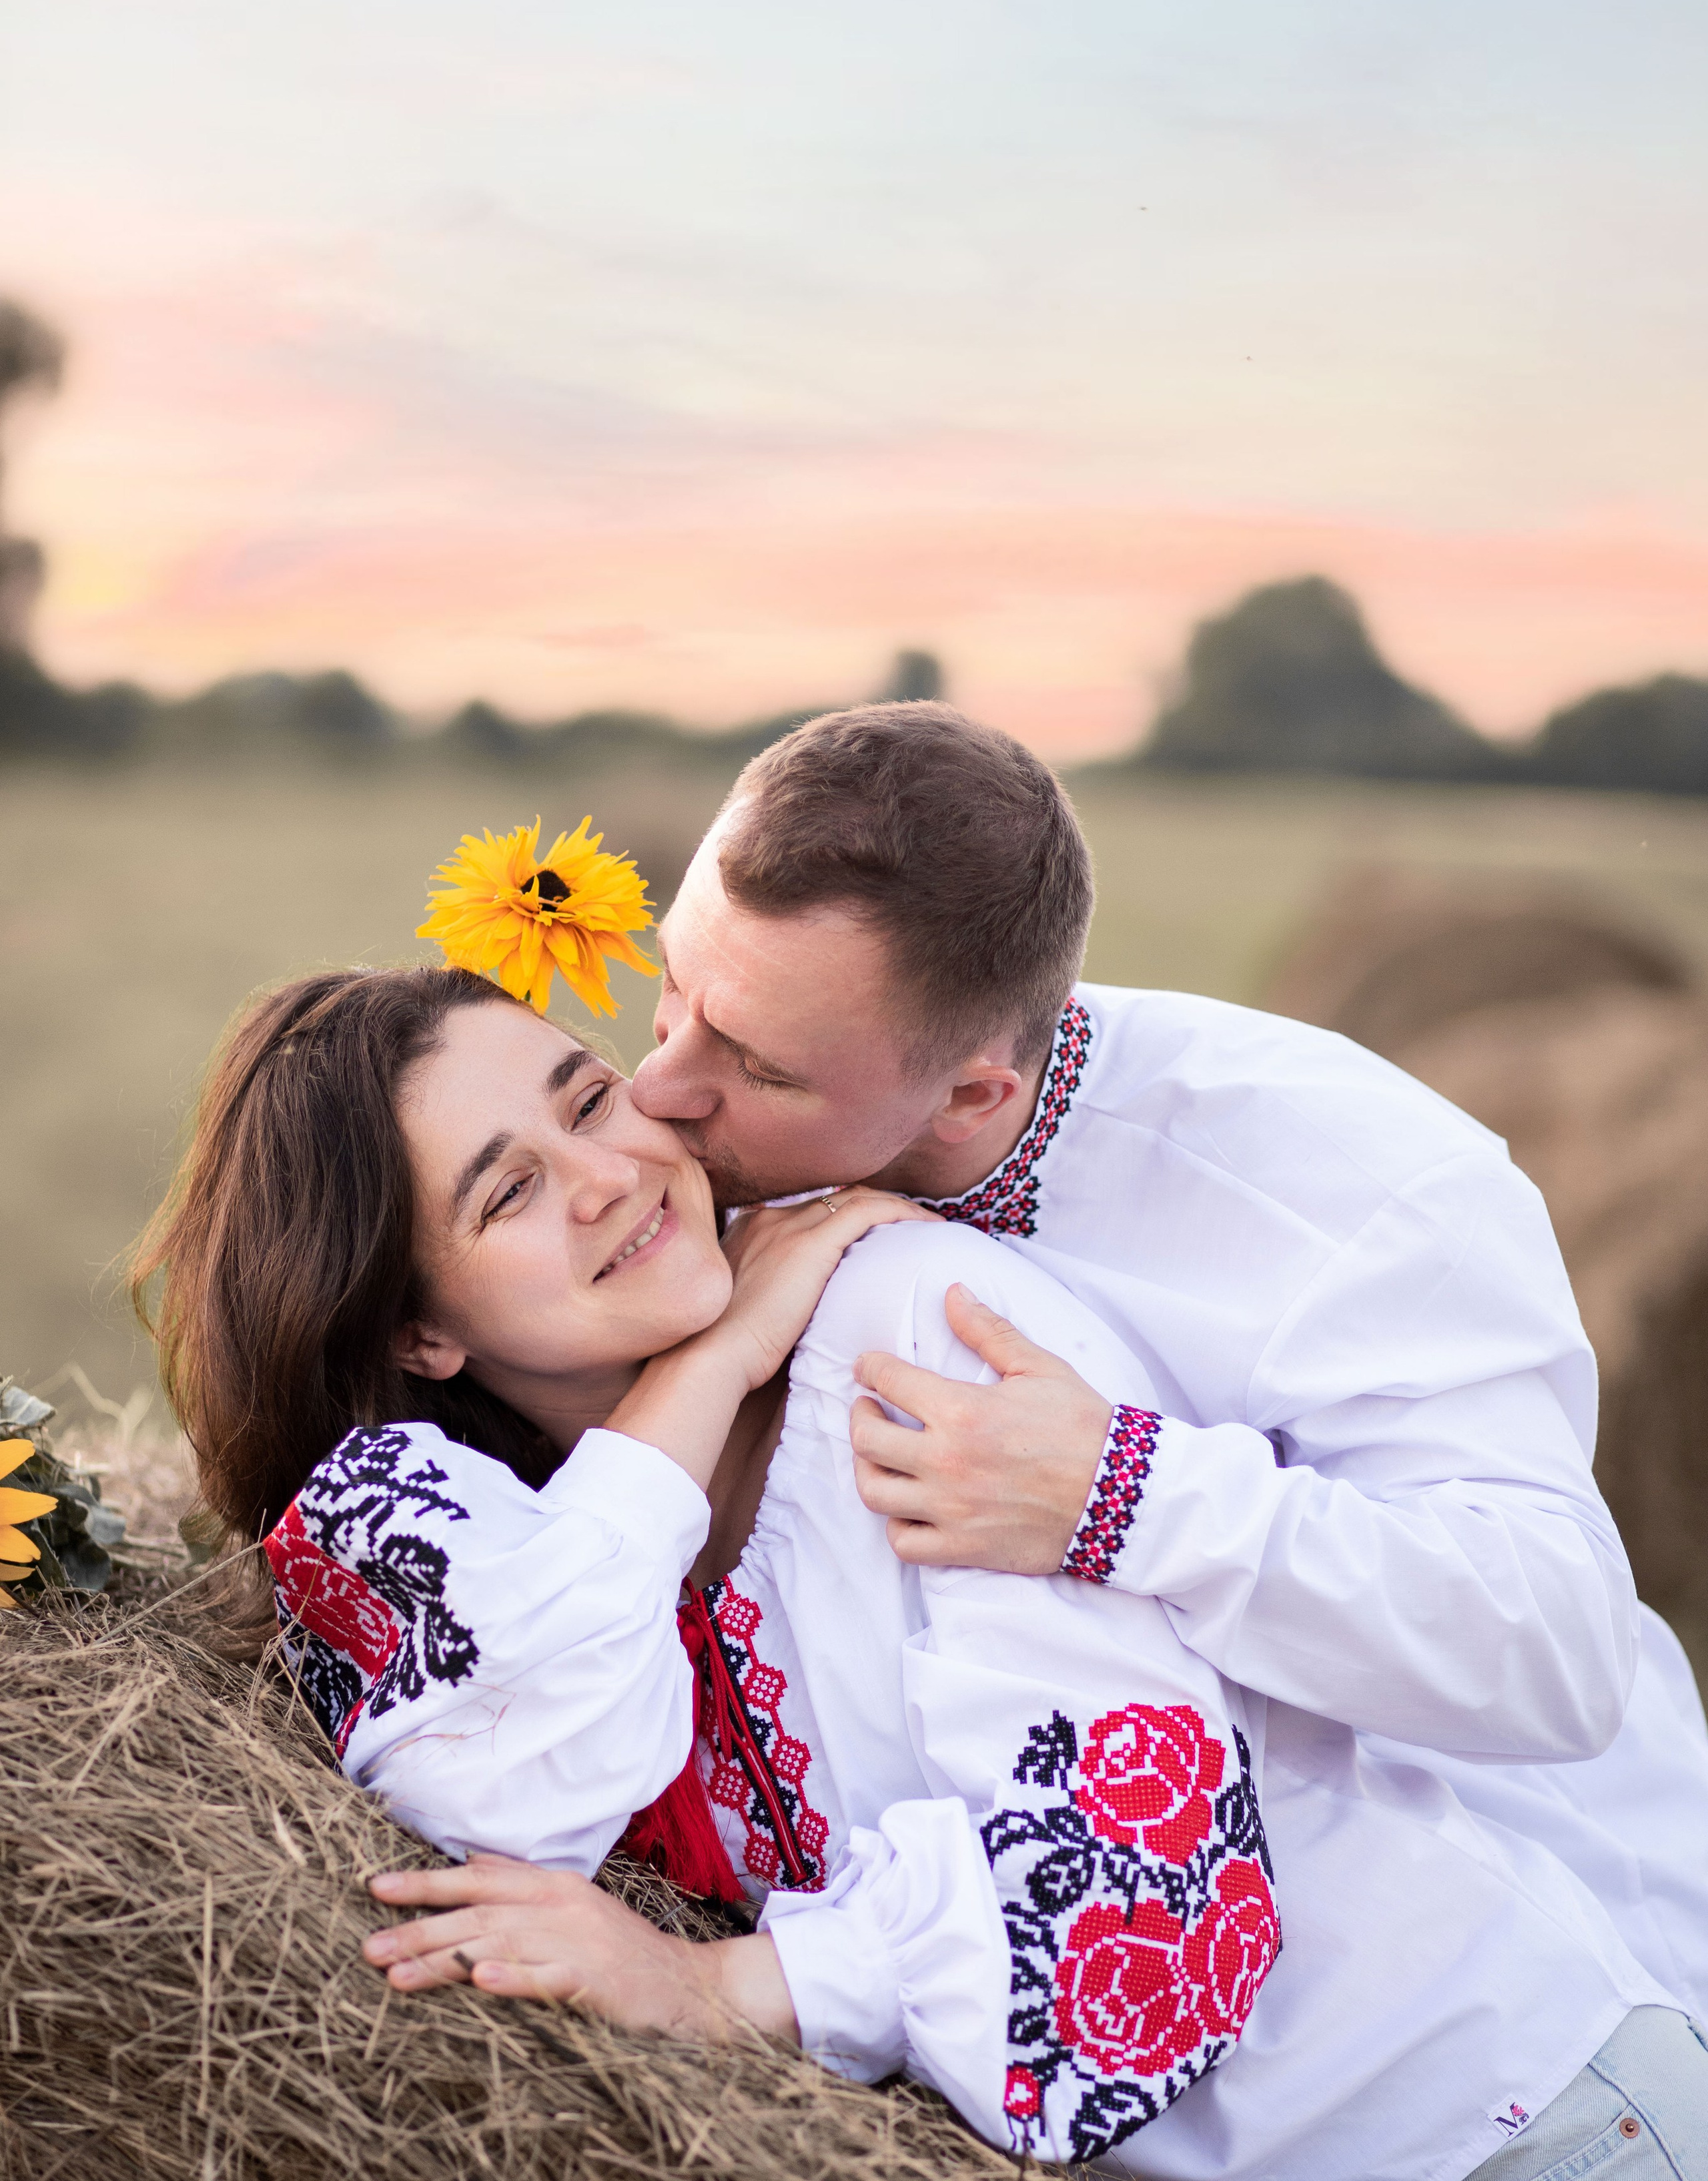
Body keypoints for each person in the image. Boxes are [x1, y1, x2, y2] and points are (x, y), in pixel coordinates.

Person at [135, 959, 1708, 2181]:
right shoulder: (442, 1530)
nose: (614, 1177)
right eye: (513, 1189)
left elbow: (1129, 1889)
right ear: (417, 1328)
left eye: (590, 1097)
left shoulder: (908, 1327)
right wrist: (704, 1370)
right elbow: (494, 1780)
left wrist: (714, 1988)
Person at [620, 697, 1708, 2019]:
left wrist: (1123, 1496)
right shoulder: (690, 1165)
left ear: (974, 1093)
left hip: (1507, 2026)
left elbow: (1555, 1652)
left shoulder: (1349, 1187)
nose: (654, 1089)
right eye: (672, 985)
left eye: (756, 1067)